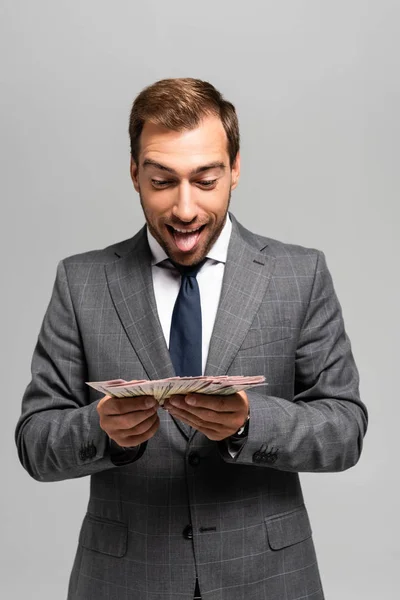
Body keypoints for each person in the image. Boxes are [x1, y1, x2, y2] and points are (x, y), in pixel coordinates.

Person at [15, 77, 368, 600]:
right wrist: (102, 429)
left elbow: (345, 430)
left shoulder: (300, 274)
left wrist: (251, 421)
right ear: (134, 174)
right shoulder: (80, 282)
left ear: (236, 169)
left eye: (205, 181)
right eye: (163, 182)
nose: (184, 210)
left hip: (269, 581)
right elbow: (35, 443)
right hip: (124, 581)